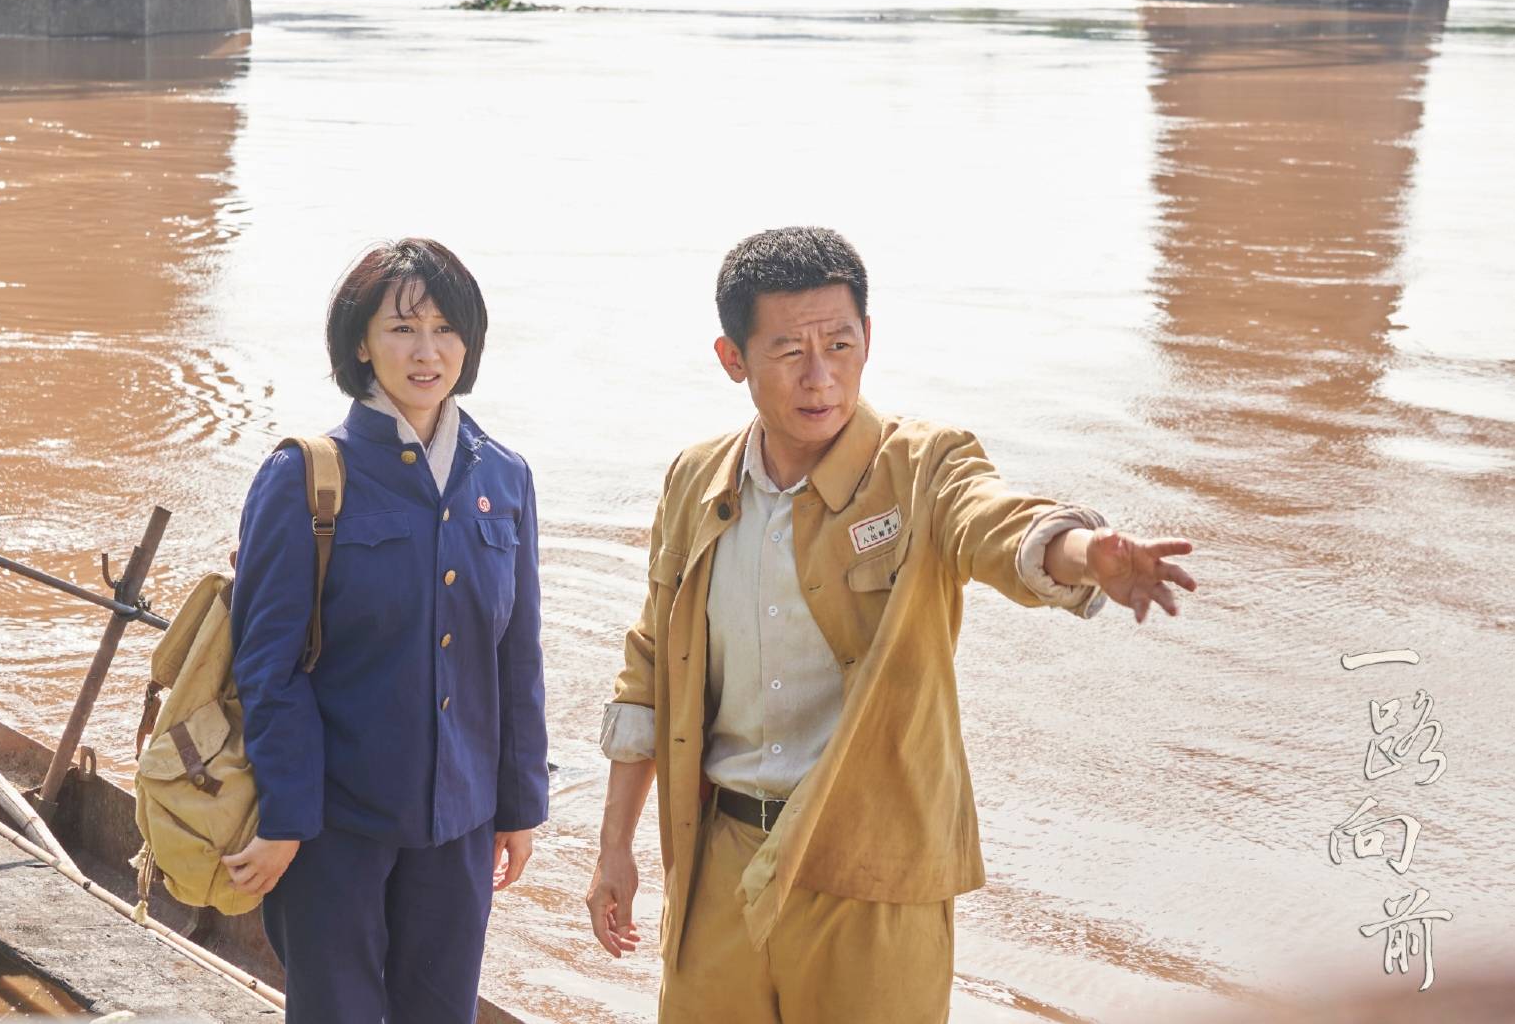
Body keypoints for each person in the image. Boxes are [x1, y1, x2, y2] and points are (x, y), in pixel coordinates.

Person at [584, 226, 1199, 1023]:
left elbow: (991, 521)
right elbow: (649, 665)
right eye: (789, 352)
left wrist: (1082, 552)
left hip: (873, 872)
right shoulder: (695, 479)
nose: (821, 377)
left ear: (868, 339)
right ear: (733, 358)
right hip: (721, 866)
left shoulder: (922, 465)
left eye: (841, 344)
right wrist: (614, 849)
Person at [224, 238, 550, 1024]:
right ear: (360, 342)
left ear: (469, 342)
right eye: (402, 328)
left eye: (446, 328)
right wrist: (287, 818)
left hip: (460, 824)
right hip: (334, 827)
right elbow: (267, 666)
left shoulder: (503, 478)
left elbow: (517, 656)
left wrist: (517, 803)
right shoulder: (305, 476)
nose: (427, 351)